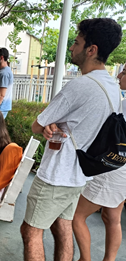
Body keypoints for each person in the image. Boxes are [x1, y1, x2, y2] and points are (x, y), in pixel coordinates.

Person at [20, 18, 122, 261]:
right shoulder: (112, 87)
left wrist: (47, 125)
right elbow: (82, 124)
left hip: (57, 173)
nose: (72, 48)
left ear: (91, 49)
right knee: (62, 226)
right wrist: (53, 125)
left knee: (31, 231)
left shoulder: (80, 86)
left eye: (76, 42)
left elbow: (37, 125)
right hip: (80, 174)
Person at [72, 64, 126, 261]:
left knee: (76, 216)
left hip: (113, 168)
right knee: (112, 217)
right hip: (122, 170)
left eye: (125, 71)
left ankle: (84, 259)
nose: (119, 75)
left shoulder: (125, 104)